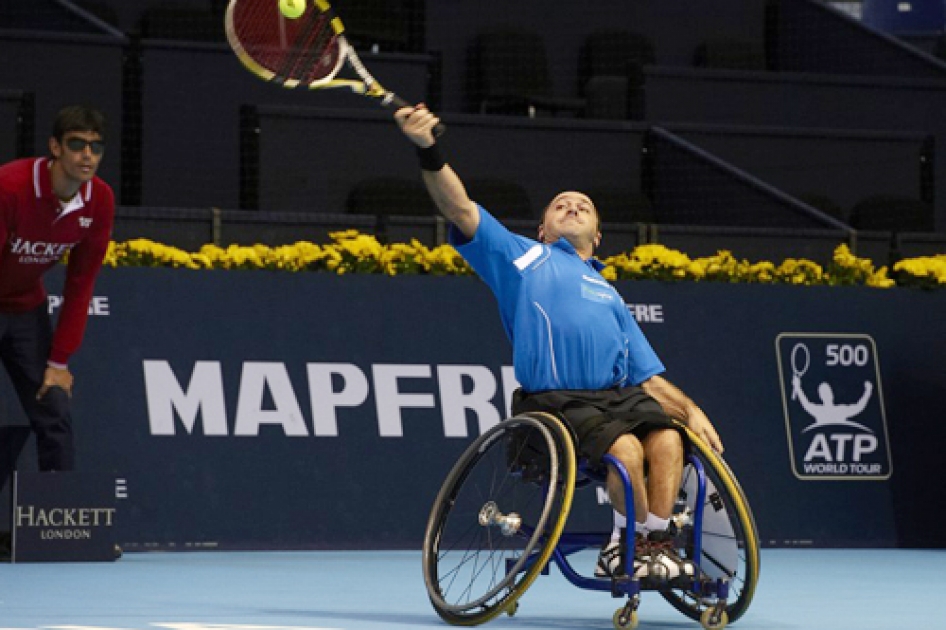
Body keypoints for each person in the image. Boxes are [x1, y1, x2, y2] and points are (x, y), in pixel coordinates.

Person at [395, 104, 724, 581]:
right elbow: (460, 208)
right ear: (543, 229)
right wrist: (429, 149)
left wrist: (690, 410)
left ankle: (654, 545)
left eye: (584, 206)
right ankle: (622, 546)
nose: (573, 207)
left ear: (599, 236)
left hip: (618, 399)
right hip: (556, 403)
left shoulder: (611, 295)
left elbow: (647, 378)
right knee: (627, 449)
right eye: (561, 205)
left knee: (669, 437)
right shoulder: (521, 257)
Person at [0, 105, 115, 472]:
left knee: (54, 406)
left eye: (95, 148)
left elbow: (80, 285)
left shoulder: (100, 201)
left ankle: (60, 521)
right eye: (77, 144)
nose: (86, 155)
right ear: (55, 147)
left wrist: (58, 362)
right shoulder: (9, 187)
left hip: (25, 310)